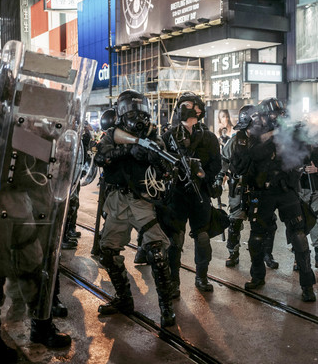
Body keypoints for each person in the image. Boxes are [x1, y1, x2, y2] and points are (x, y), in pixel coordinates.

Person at [0, 50, 71, 364]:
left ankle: (42, 326)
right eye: (5, 75)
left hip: (19, 203)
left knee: (34, 269)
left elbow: (35, 153)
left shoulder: (11, 113)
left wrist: (56, 145)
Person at [94, 90, 176, 327]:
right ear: (121, 113)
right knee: (107, 252)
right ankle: (124, 299)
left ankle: (166, 308)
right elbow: (100, 157)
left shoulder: (154, 136)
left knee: (157, 253)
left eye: (141, 111)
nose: (139, 117)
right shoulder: (112, 135)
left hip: (143, 202)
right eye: (132, 111)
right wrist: (127, 150)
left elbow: (165, 170)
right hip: (118, 201)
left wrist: (156, 160)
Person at [232, 98, 317, 302]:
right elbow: (246, 159)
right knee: (257, 238)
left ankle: (307, 285)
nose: (277, 118)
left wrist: (300, 135)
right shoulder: (253, 133)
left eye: (279, 114)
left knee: (299, 236)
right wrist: (272, 139)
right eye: (273, 114)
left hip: (286, 189)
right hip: (262, 192)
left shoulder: (287, 131)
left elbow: (307, 153)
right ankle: (257, 277)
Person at [162, 92, 221, 295]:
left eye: (193, 106)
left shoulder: (209, 137)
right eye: (185, 105)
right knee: (175, 240)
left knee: (203, 238)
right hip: (177, 194)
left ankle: (201, 277)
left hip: (200, 194)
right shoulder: (169, 136)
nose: (190, 109)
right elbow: (159, 161)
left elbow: (217, 163)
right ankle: (173, 281)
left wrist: (204, 175)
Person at [215, 104, 255, 267]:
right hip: (238, 187)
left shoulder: (264, 140)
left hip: (257, 188)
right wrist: (218, 179)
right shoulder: (236, 140)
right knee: (234, 223)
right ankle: (233, 253)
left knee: (263, 224)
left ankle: (265, 254)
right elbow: (223, 160)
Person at [298, 126, 318, 271]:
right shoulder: (298, 149)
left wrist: (316, 170)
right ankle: (298, 259)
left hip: (315, 193)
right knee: (298, 228)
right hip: (299, 193)